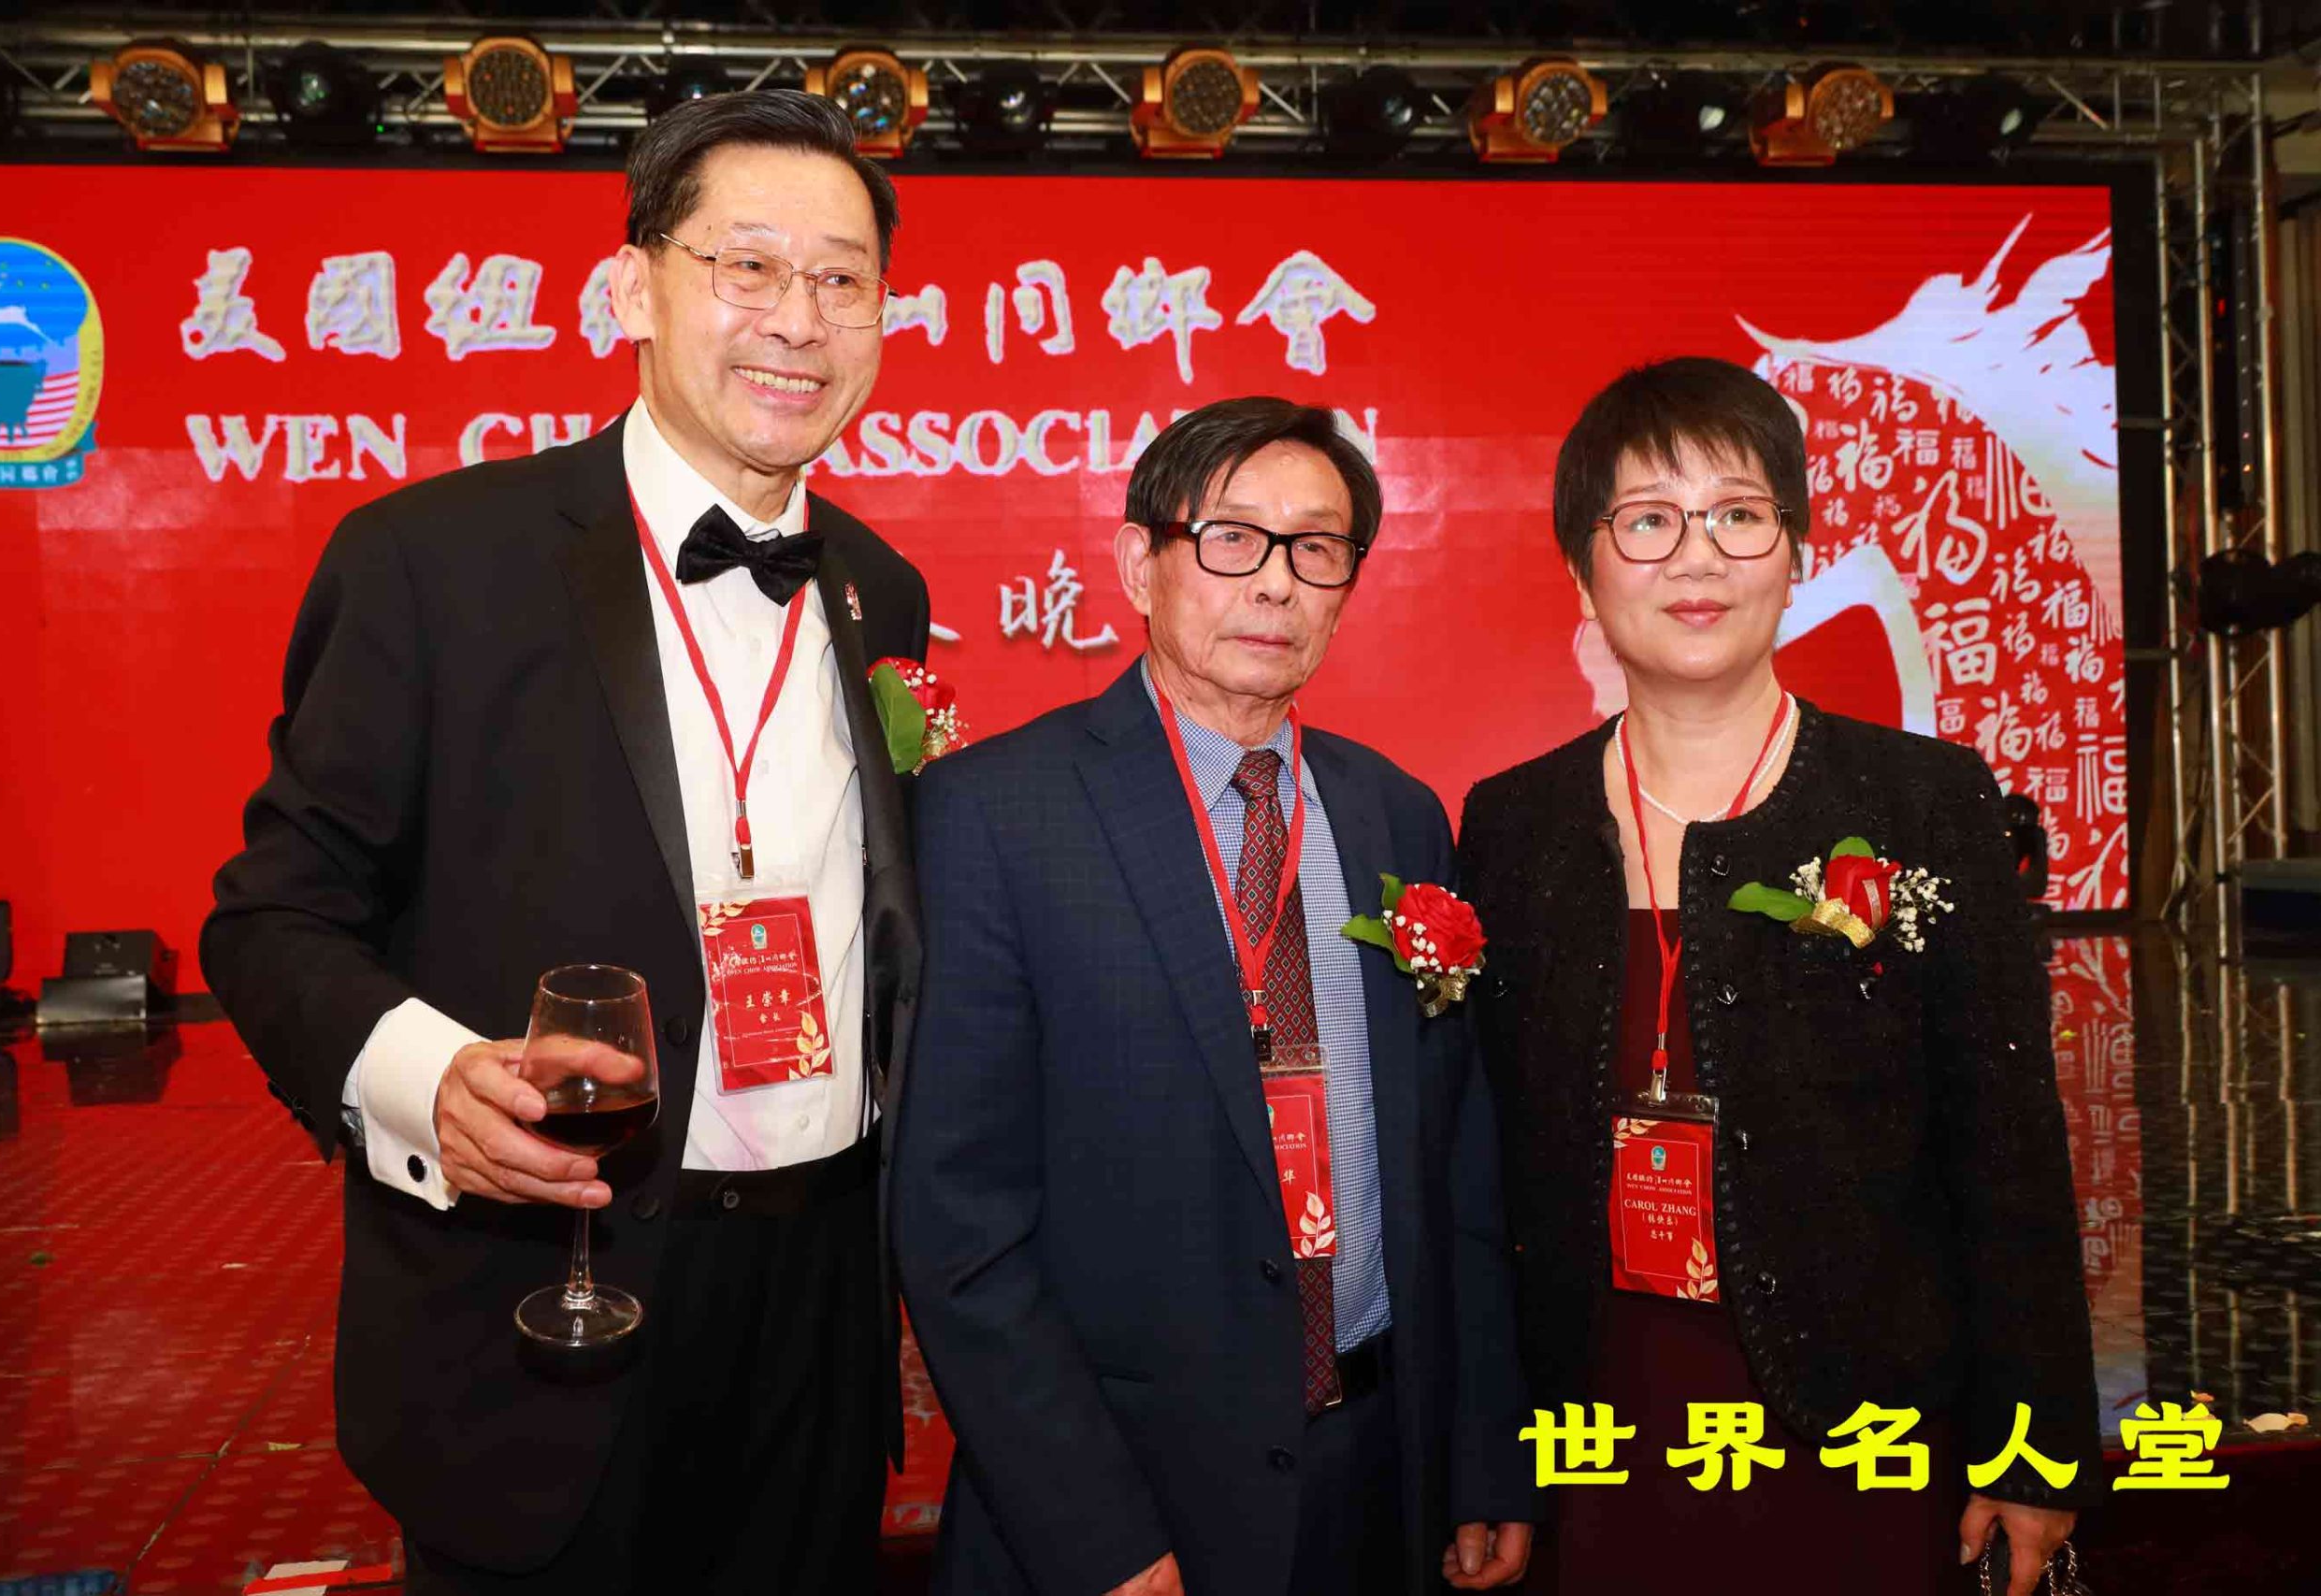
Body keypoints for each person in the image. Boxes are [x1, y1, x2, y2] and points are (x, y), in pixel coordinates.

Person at [202, 90, 930, 1594]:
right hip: (548, 1294)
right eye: (748, 265)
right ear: (632, 289)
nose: (799, 319)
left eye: (842, 279)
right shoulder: (431, 561)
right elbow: (273, 916)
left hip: (817, 1310)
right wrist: (424, 1080)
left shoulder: (880, 587)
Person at [1459, 358, 2097, 1596]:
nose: (1696, 557)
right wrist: (1485, 1451)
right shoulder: (1512, 824)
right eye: (1648, 520)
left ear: (1796, 550)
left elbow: (2010, 1151)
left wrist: (2034, 1443)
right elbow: (1480, 1179)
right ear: (1582, 568)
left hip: (1864, 1429)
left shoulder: (1923, 800)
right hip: (1598, 1427)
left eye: (1739, 514)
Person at [893, 397, 1535, 1596]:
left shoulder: (1397, 814)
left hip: (1376, 1471)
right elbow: (958, 1222)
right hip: (1121, 1492)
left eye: (1316, 548)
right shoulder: (996, 812)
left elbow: (1456, 1170)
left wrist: (1479, 1455)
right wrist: (1096, 1536)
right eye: (1233, 539)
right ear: (1140, 562)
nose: (1276, 583)